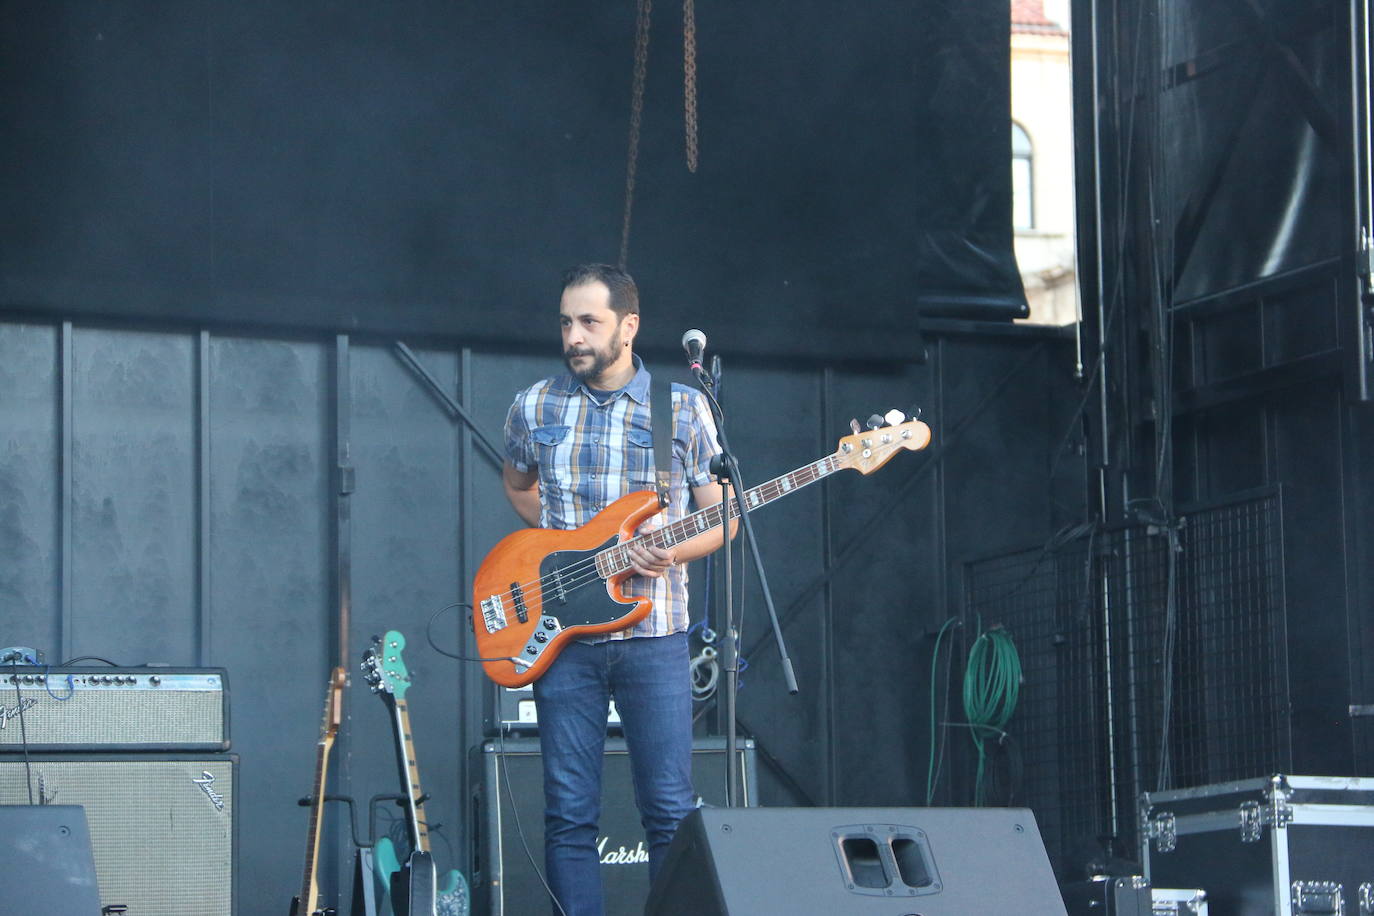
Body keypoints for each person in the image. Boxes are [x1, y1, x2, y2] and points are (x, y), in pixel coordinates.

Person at [501, 263, 734, 916]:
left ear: (628, 326)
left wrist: (670, 551)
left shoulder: (681, 407)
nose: (573, 336)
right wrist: (567, 553)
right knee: (568, 813)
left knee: (669, 810)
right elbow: (518, 486)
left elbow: (724, 516)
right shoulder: (533, 405)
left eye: (589, 322)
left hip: (654, 635)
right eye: (565, 323)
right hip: (564, 638)